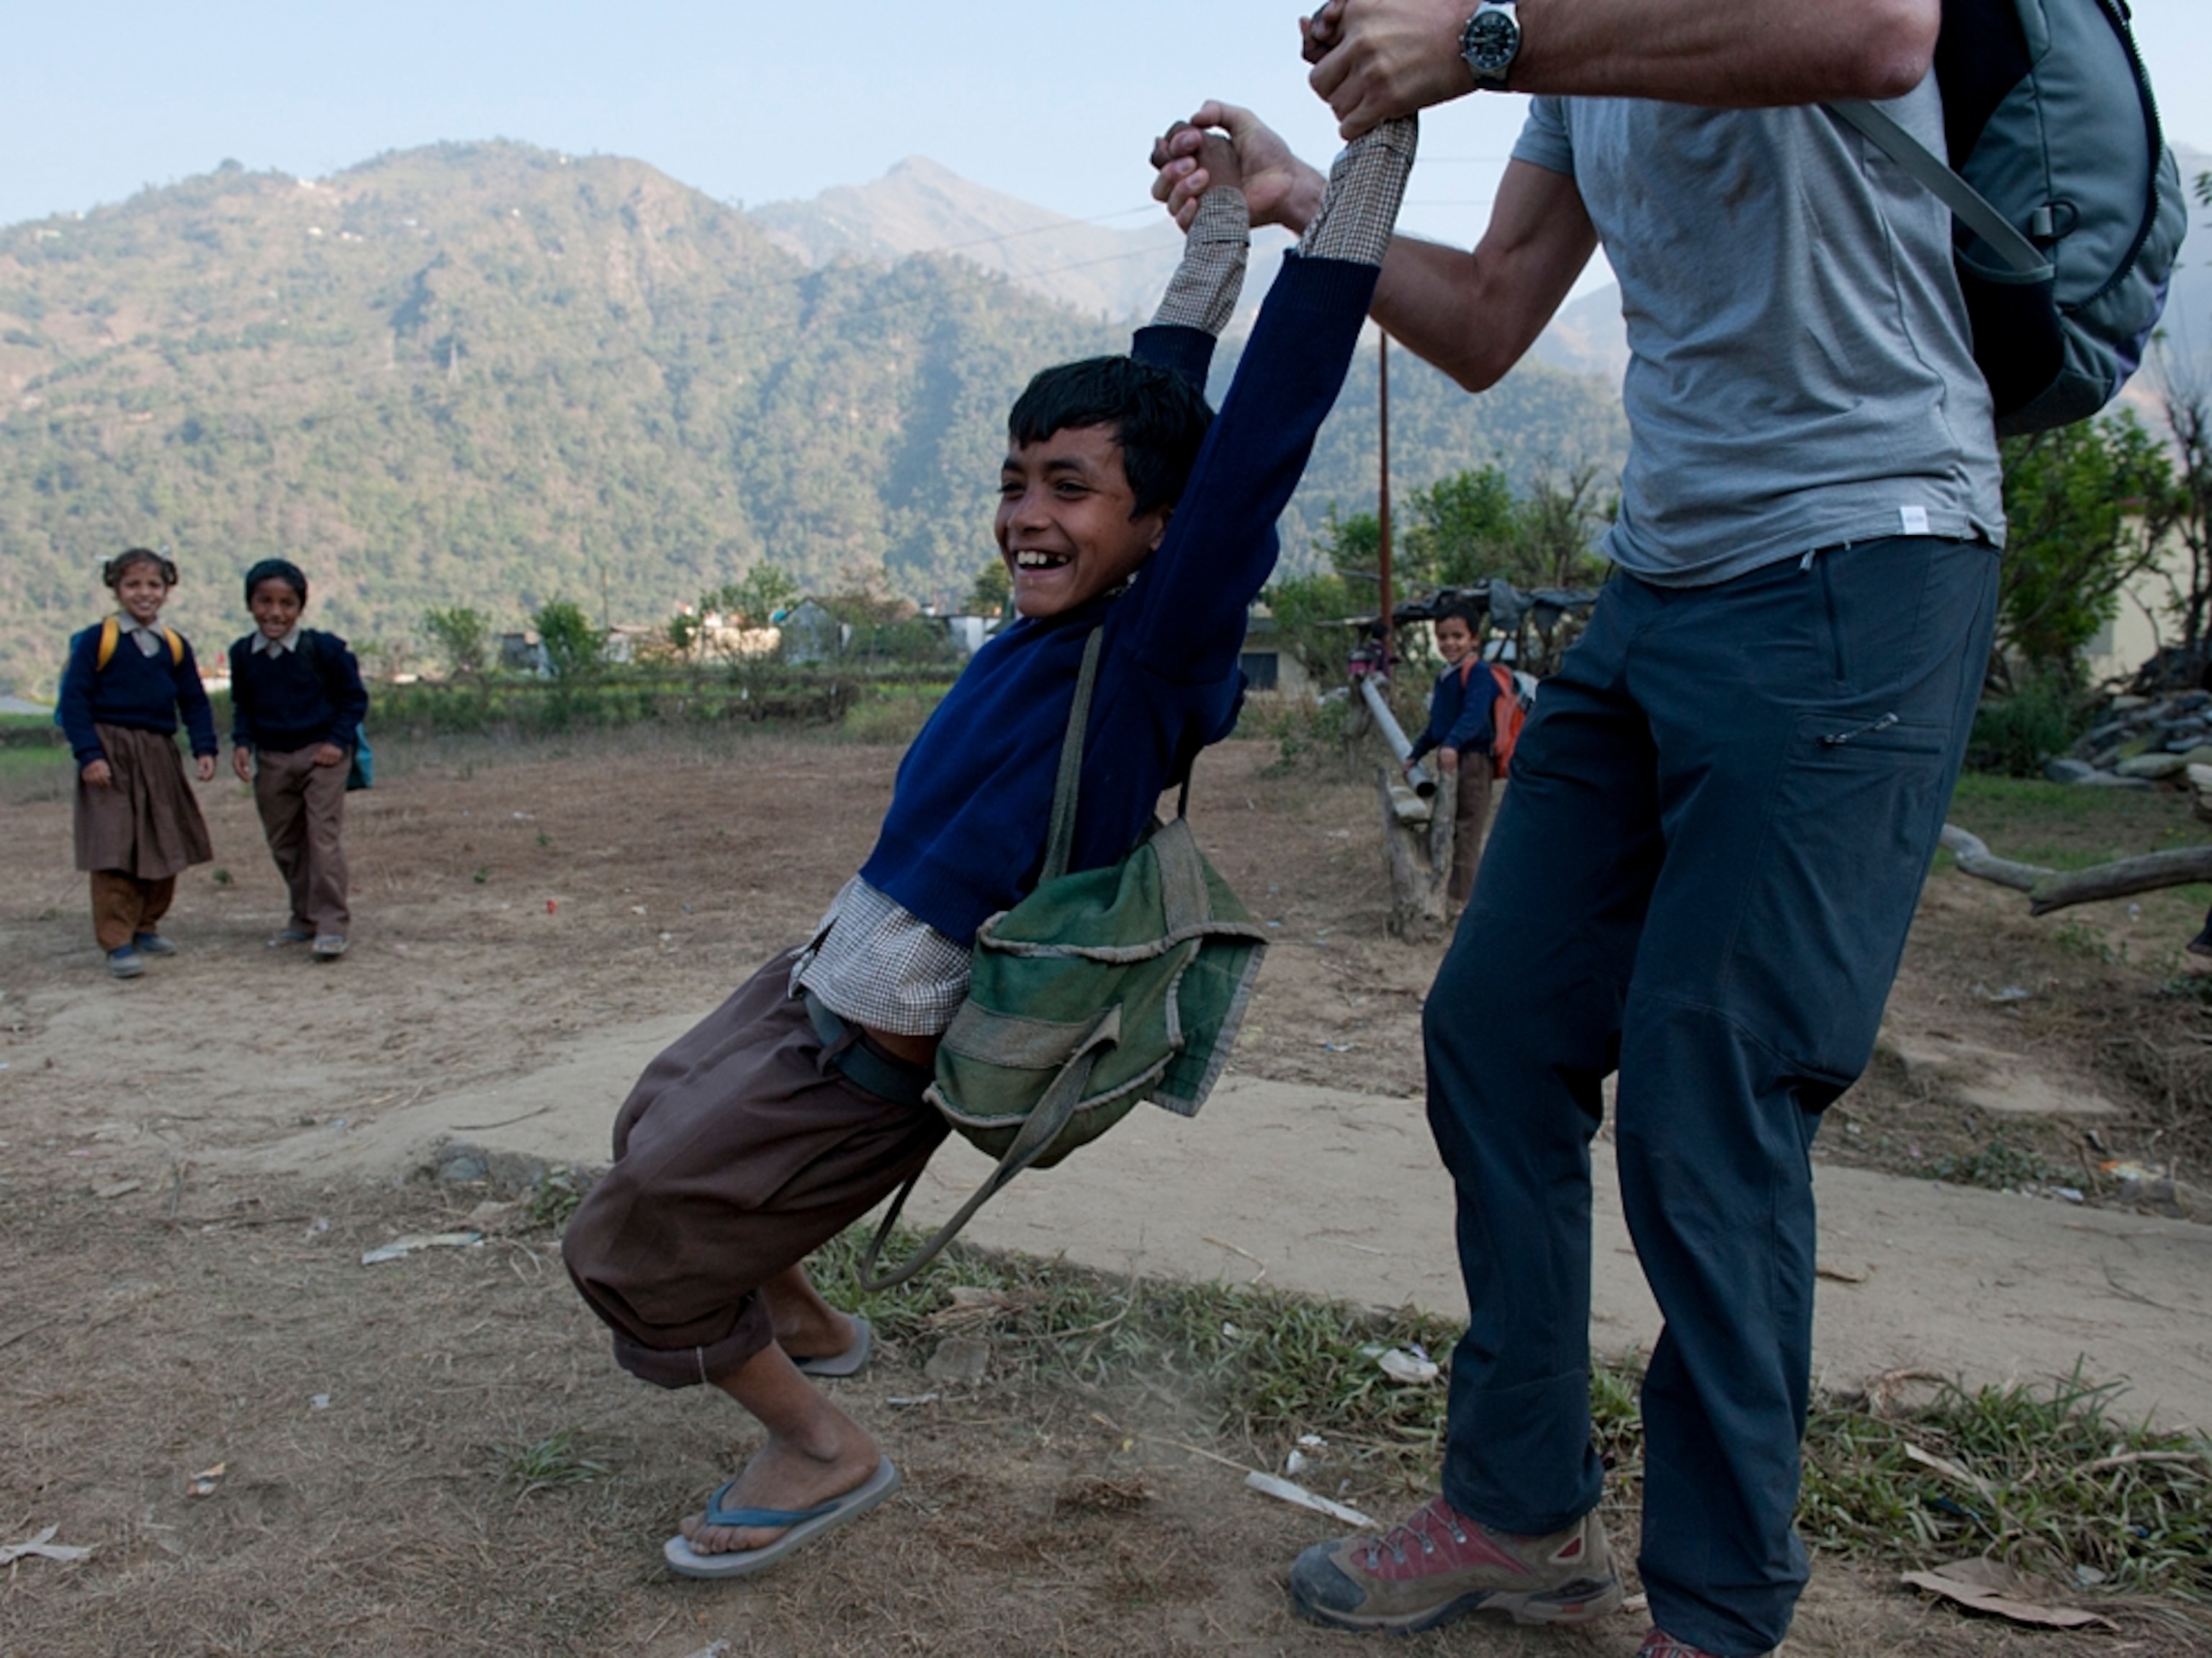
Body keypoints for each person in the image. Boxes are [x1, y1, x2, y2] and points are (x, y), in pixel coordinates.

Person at [1154, 2, 2002, 1653]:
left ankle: (1713, 1601)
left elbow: (1881, 34)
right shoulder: (1572, 55)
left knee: (1708, 1083)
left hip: (1864, 552)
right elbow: (1480, 317)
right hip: (1661, 581)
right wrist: (1292, 193)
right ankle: (1519, 1506)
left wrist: (1480, 41)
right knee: (1494, 1023)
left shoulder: (1568, 27)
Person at [560, 111, 1419, 1579]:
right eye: (1018, 479)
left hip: (890, 1036)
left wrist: (1368, 169)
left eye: (1068, 490)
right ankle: (807, 1307)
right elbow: (1169, 389)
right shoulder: (1070, 611)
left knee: (632, 1238)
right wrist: (1215, 230)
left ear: (1161, 526)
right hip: (827, 968)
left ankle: (819, 1443)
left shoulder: (1156, 645)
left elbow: (1261, 424)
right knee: (655, 1120)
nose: (1027, 514)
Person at [55, 548, 221, 980]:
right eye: (133, 585)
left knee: (164, 840)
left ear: (167, 590)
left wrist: (205, 748)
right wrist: (89, 755)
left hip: (158, 753)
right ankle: (117, 940)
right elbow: (74, 702)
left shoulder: (174, 645)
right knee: (113, 846)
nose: (144, 594)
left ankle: (147, 923)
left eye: (153, 585)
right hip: (110, 752)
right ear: (116, 588)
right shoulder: (98, 640)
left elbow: (194, 701)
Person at [227, 558, 368, 962]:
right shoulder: (243, 654)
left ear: (300, 607)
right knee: (285, 841)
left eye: (286, 603)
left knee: (322, 839)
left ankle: (332, 923)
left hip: (321, 755)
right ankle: (303, 917)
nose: (275, 612)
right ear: (250, 604)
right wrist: (242, 743)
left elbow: (353, 698)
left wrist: (336, 742)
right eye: (265, 602)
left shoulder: (323, 649)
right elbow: (244, 706)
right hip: (272, 757)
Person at [1403, 606, 1497, 906]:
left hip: (1473, 759)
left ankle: (1462, 899)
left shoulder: (1479, 672)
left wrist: (1453, 743)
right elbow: (1437, 725)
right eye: (1443, 637)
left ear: (1474, 640)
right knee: (1446, 821)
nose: (1450, 643)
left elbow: (1474, 715)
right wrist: (1415, 755)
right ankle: (1445, 888)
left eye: (1458, 636)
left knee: (1468, 828)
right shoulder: (1445, 676)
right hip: (1450, 759)